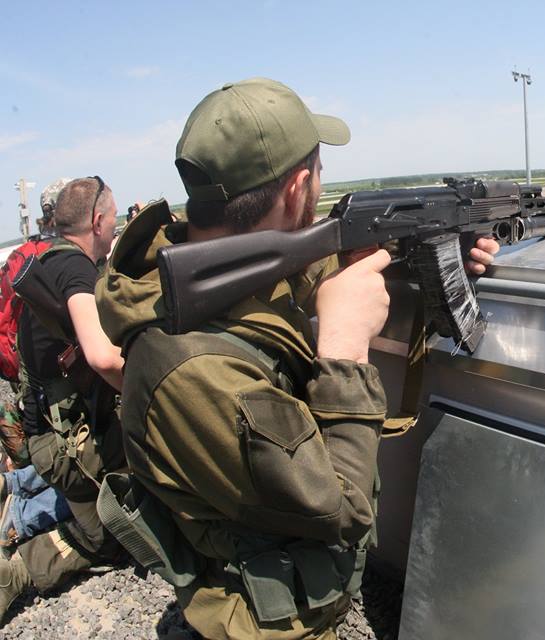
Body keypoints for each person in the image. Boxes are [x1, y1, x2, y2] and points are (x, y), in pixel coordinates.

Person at [95, 77, 499, 640]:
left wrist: (429, 254)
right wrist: (344, 349)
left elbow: (298, 276)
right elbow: (341, 509)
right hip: (264, 620)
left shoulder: (200, 265)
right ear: (299, 188)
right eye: (320, 176)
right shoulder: (192, 370)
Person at [0, 177, 127, 618]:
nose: (116, 226)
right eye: (114, 219)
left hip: (45, 431)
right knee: (109, 539)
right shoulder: (76, 270)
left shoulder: (48, 259)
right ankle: (13, 576)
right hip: (60, 447)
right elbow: (102, 357)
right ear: (96, 222)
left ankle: (11, 489)